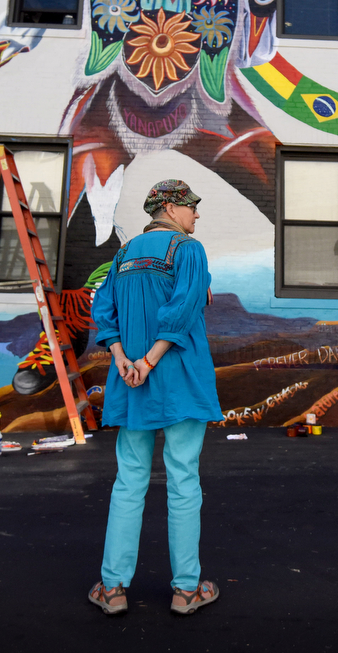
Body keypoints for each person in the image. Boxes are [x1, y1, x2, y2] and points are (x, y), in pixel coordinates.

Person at [87, 179, 222, 617]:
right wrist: (150, 360)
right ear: (170, 207)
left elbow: (102, 312)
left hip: (129, 381)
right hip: (180, 380)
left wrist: (126, 359)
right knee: (184, 481)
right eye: (192, 208)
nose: (196, 215)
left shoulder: (122, 255)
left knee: (129, 482)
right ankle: (185, 591)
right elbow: (181, 311)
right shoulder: (187, 250)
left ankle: (113, 589)